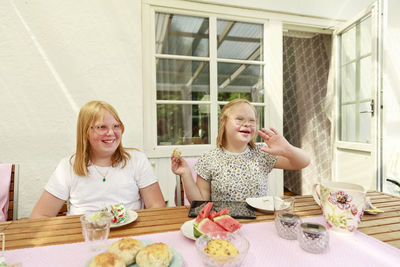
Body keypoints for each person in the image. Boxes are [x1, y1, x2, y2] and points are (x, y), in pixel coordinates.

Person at [31, 101, 165, 218]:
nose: (111, 133)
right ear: (85, 132)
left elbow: (157, 206)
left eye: (116, 126)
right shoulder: (68, 166)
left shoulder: (137, 160)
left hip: (129, 239)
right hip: (86, 238)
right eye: (102, 127)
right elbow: (40, 216)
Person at [171, 98, 310, 202]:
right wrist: (186, 174)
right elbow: (200, 202)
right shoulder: (209, 159)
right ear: (223, 122)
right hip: (223, 225)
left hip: (258, 223)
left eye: (252, 120)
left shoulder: (262, 154)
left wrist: (288, 150)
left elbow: (303, 162)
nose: (246, 124)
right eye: (239, 119)